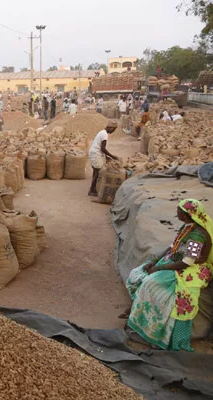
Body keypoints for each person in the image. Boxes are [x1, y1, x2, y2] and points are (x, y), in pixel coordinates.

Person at [121, 199, 212, 351]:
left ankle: (151, 329)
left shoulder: (197, 236)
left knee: (151, 284)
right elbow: (172, 247)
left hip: (192, 266)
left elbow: (188, 262)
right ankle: (134, 313)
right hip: (176, 260)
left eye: (179, 210)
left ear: (187, 214)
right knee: (138, 273)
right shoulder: (187, 227)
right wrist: (155, 261)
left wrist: (160, 268)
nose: (176, 212)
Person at [88, 120, 118, 196]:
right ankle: (91, 190)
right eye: (114, 130)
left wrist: (106, 157)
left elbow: (101, 148)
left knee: (95, 171)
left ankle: (93, 189)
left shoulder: (102, 132)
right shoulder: (105, 135)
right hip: (95, 153)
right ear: (111, 128)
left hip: (94, 152)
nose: (113, 132)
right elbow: (103, 149)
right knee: (97, 173)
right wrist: (112, 156)